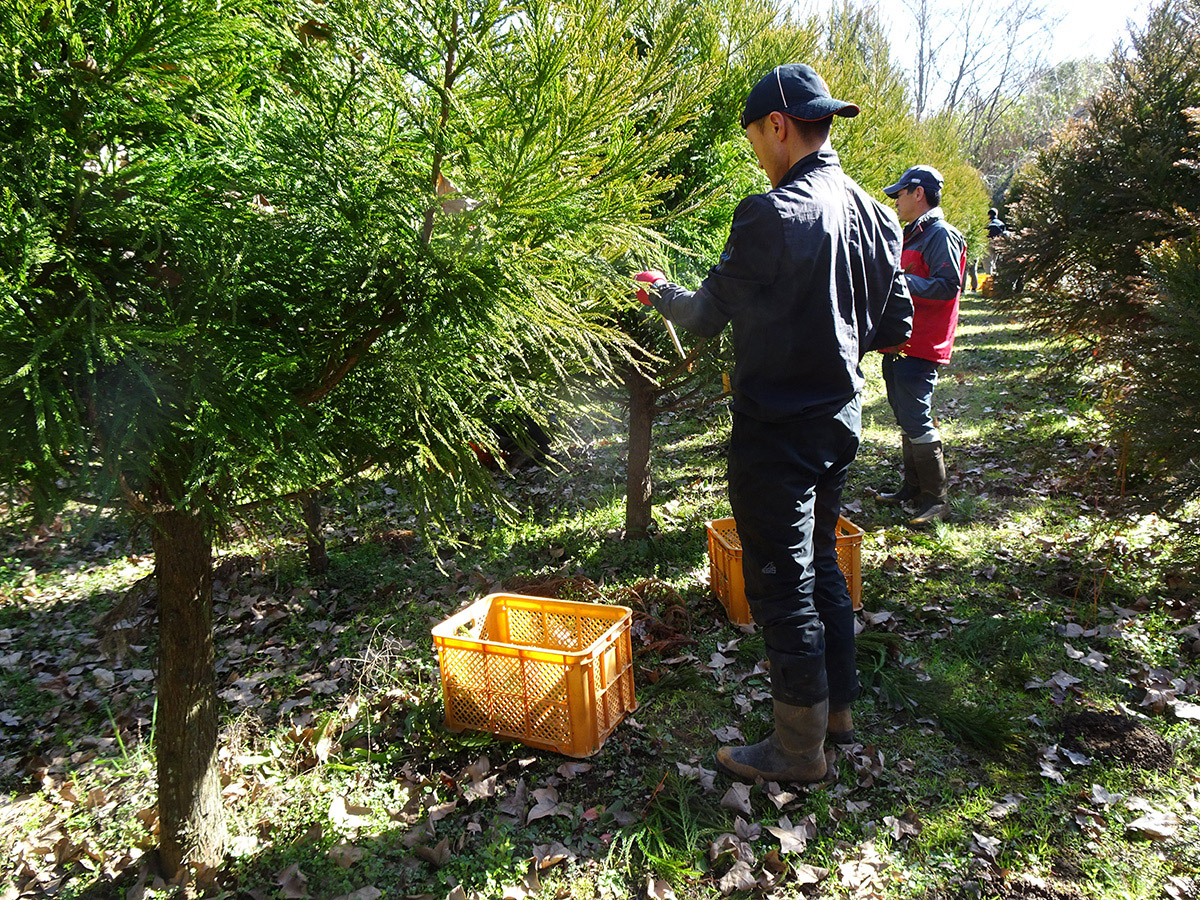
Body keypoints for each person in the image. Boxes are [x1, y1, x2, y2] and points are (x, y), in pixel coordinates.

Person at [634, 63, 912, 783]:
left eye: (756, 137)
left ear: (779, 127)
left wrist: (661, 293)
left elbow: (700, 317)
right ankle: (838, 715)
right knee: (821, 565)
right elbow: (896, 324)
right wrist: (834, 331)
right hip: (840, 422)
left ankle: (798, 752)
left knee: (782, 585)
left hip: (777, 433)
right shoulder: (878, 215)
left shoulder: (769, 214)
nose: (757, 152)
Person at [876, 165, 967, 526]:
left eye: (900, 193)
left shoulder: (939, 234)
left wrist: (900, 281)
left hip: (922, 343)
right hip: (899, 343)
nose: (896, 200)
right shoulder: (912, 234)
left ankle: (936, 498)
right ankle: (912, 489)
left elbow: (948, 285)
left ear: (919, 193)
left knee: (916, 417)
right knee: (905, 416)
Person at [985, 207, 1006, 275]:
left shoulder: (986, 223)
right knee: (997, 260)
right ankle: (997, 275)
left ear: (989, 215)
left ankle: (989, 276)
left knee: (988, 261)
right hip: (999, 243)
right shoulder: (1001, 223)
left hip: (989, 242)